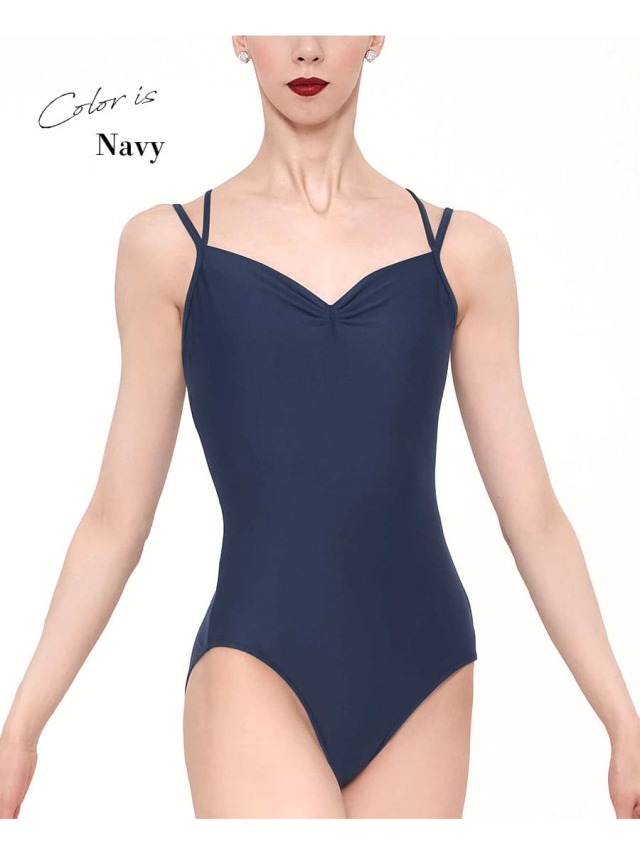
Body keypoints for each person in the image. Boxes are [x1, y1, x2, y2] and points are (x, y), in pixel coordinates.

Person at [1, 35, 639, 820]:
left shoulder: (465, 253)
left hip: (428, 670)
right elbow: (115, 519)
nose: (307, 47)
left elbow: (532, 514)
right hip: (253, 661)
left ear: (376, 32)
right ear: (240, 34)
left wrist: (622, 718)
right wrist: (20, 728)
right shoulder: (170, 249)